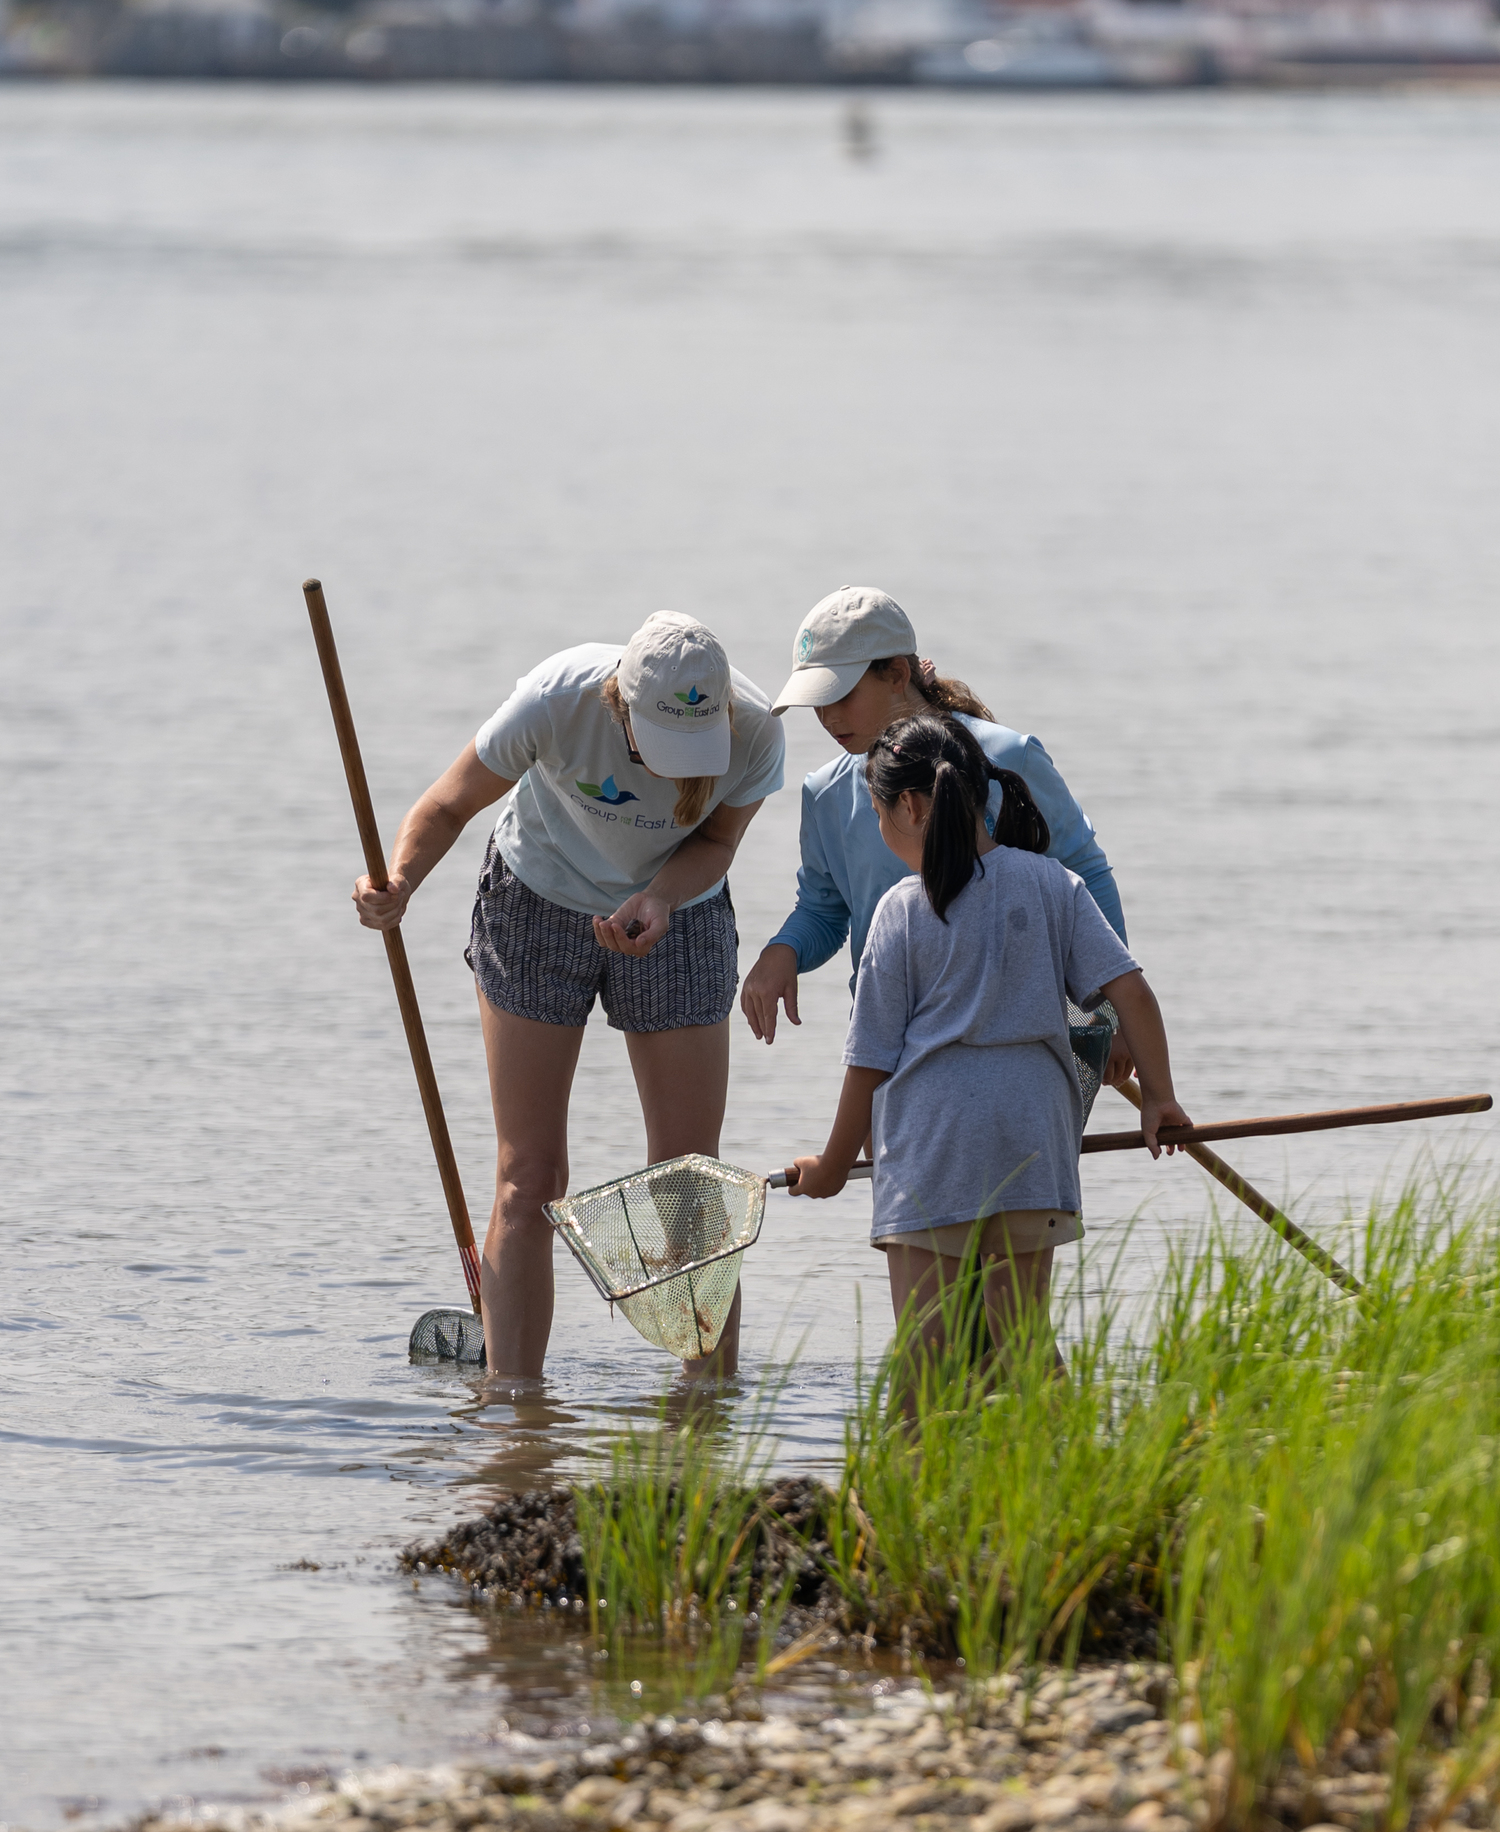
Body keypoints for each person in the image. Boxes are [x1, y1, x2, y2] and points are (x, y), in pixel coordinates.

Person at [352, 613, 785, 1382]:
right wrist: (400, 883)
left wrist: (659, 897)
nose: (677, 768)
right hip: (537, 900)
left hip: (679, 912)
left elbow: (716, 843)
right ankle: (515, 1417)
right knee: (531, 1178)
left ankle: (707, 1414)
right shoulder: (556, 700)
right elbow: (448, 805)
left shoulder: (754, 732)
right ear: (620, 704)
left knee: (686, 1178)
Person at [786, 715, 1188, 1368]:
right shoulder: (1054, 882)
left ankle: (908, 1467)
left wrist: (834, 1164)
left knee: (927, 1356)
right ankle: (1068, 1462)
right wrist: (1160, 1099)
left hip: (934, 1148)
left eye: (880, 816)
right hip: (1032, 1141)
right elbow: (1133, 993)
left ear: (910, 806)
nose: (883, 833)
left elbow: (870, 1060)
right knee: (1022, 1346)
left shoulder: (902, 909)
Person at [740, 587, 1131, 1086]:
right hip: (889, 1048)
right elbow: (824, 910)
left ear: (898, 675)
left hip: (1018, 1042)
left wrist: (1112, 1017)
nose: (827, 717)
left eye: (841, 695)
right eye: (816, 702)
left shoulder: (1012, 757)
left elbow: (1086, 875)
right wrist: (784, 951)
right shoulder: (825, 793)